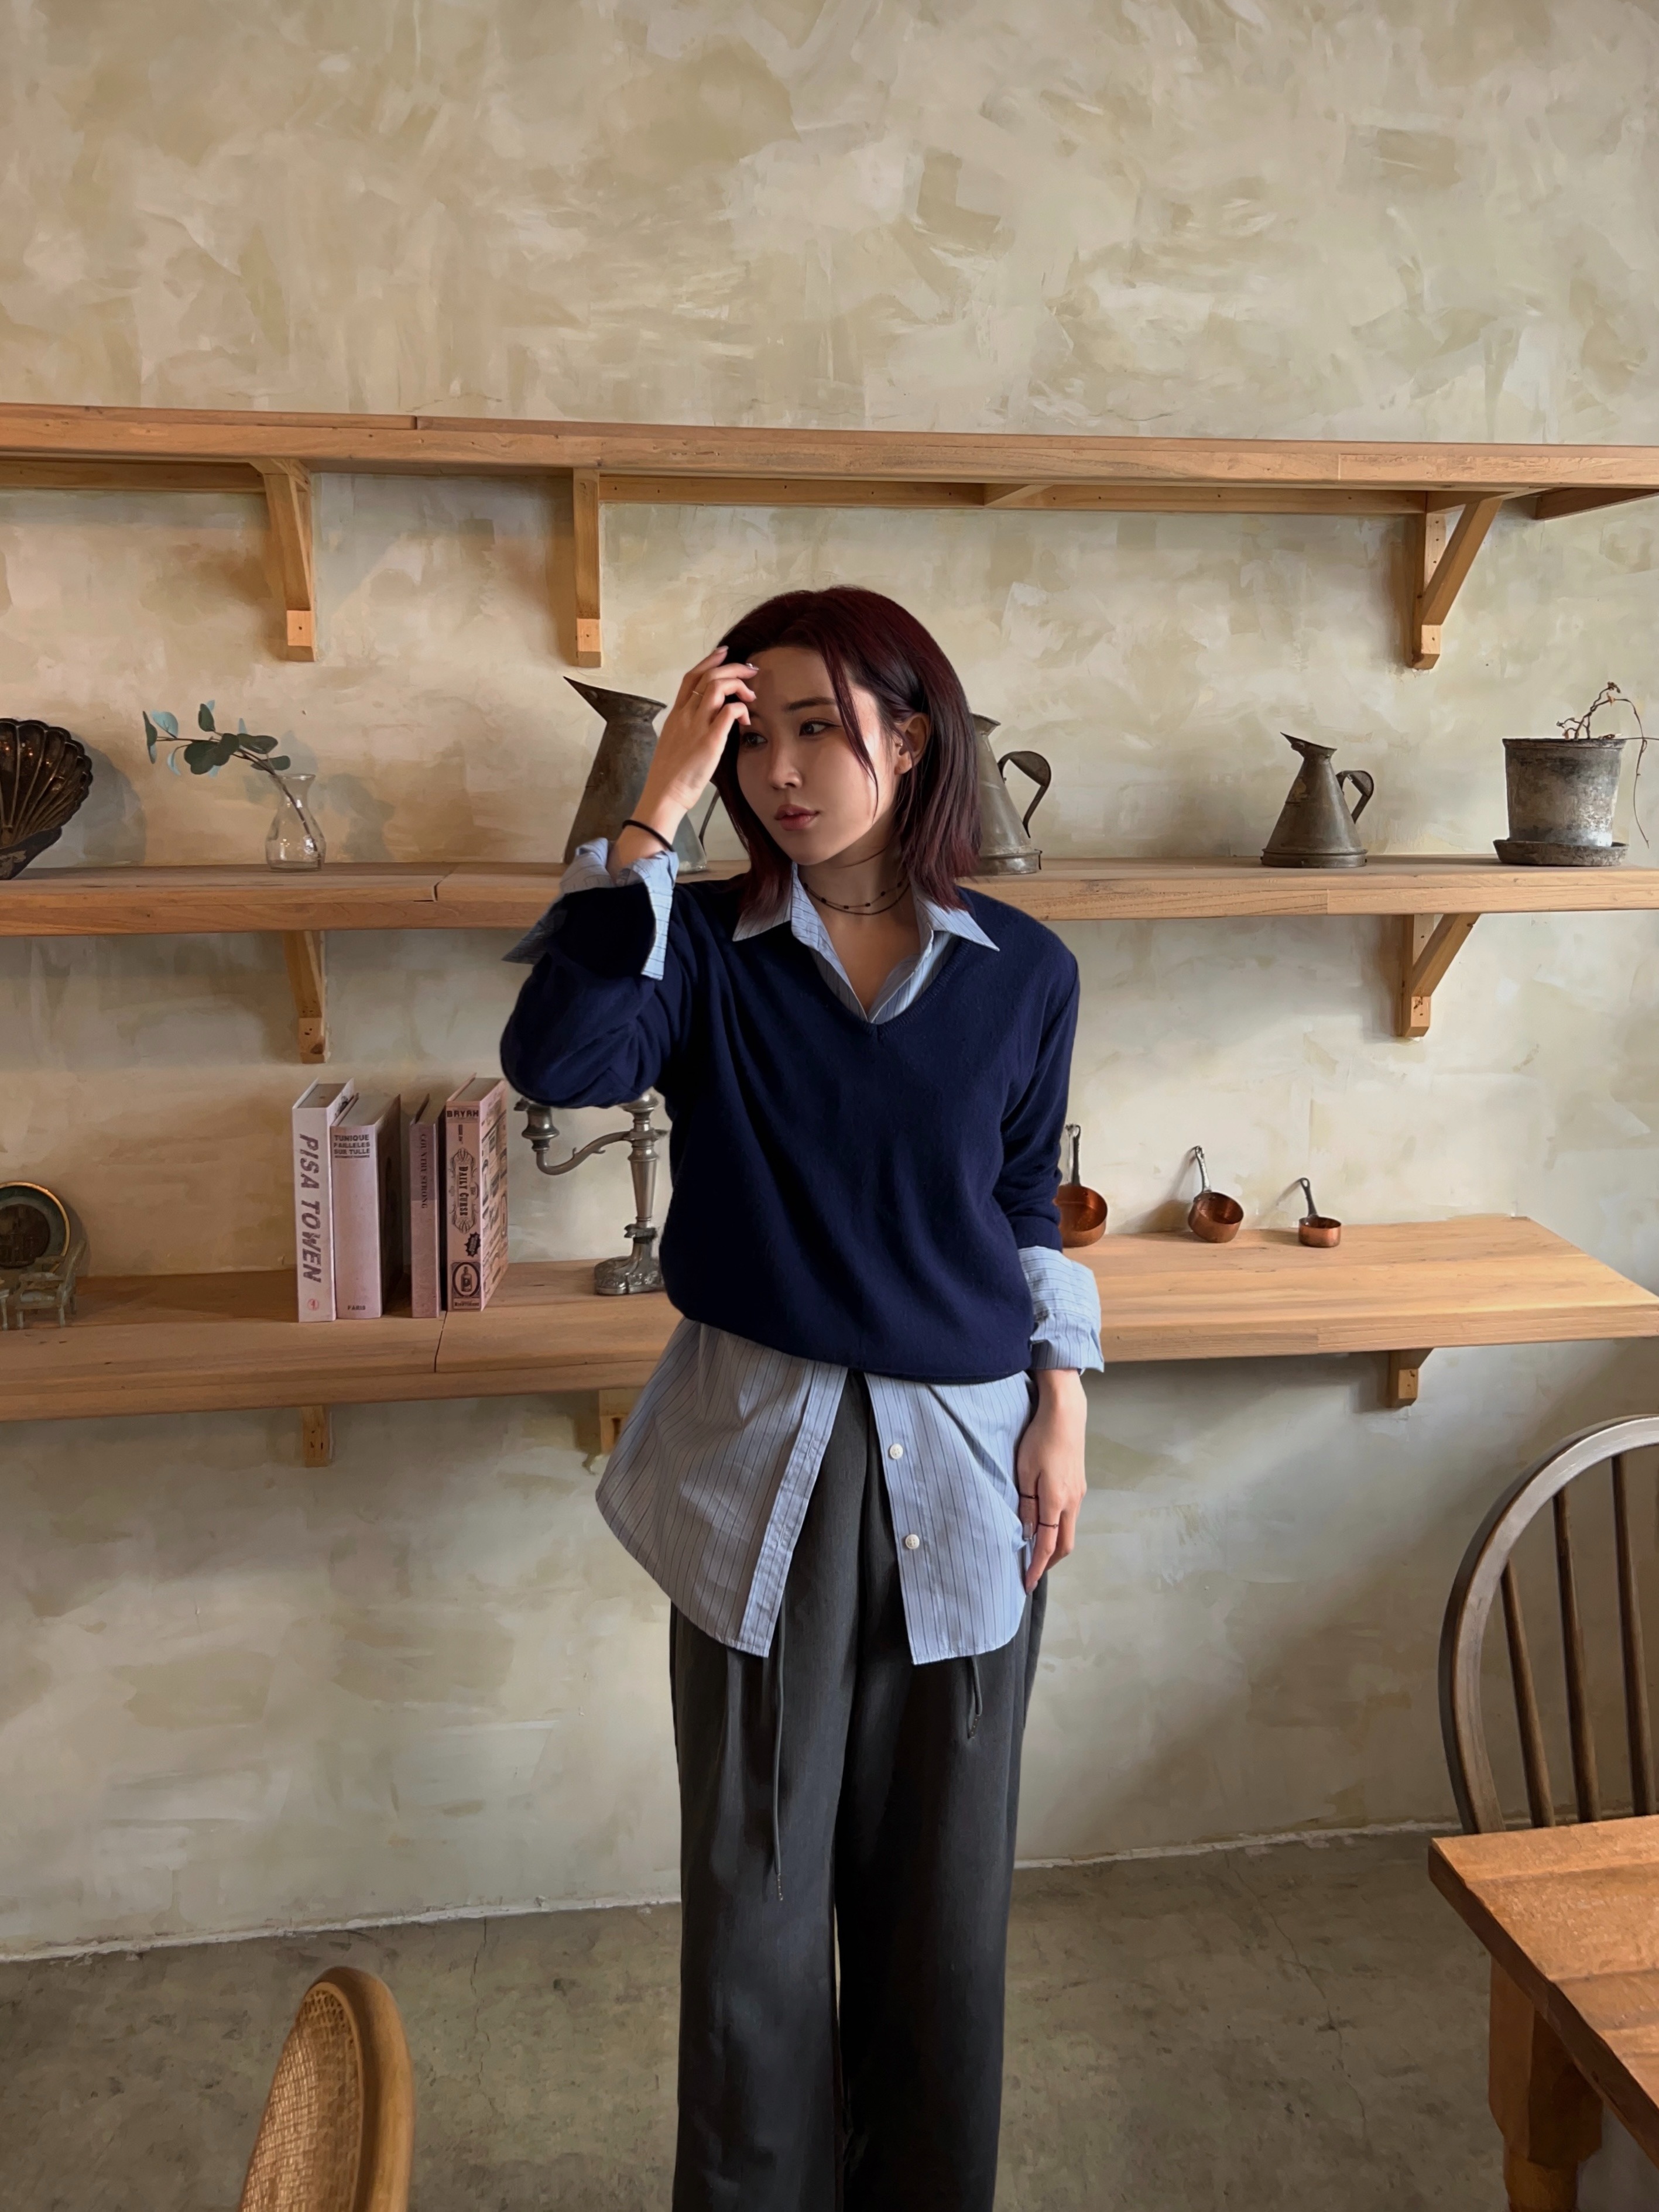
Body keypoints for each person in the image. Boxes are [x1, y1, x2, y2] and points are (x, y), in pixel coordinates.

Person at [501, 585, 1101, 2212]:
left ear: (913, 741)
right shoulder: (695, 947)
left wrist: (1063, 1404)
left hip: (971, 1467)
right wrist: (655, 804)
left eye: (821, 728)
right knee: (755, 1896)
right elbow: (558, 1064)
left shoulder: (1026, 972)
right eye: (752, 733)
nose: (781, 769)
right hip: (757, 1465)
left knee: (944, 1902)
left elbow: (1024, 1203)